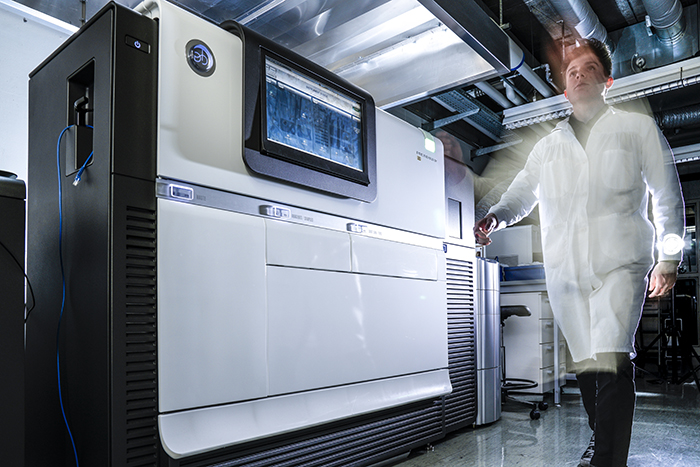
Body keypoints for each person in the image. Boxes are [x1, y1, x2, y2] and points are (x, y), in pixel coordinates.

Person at [474, 39, 684, 467]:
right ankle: (599, 438)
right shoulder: (548, 146)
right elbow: (522, 192)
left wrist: (669, 256)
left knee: (610, 358)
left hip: (621, 264)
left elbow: (666, 191)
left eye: (589, 68)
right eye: (572, 72)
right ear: (564, 90)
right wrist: (496, 217)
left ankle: (607, 459)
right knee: (589, 367)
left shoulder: (635, 129)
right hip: (566, 270)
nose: (579, 74)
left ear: (607, 81)